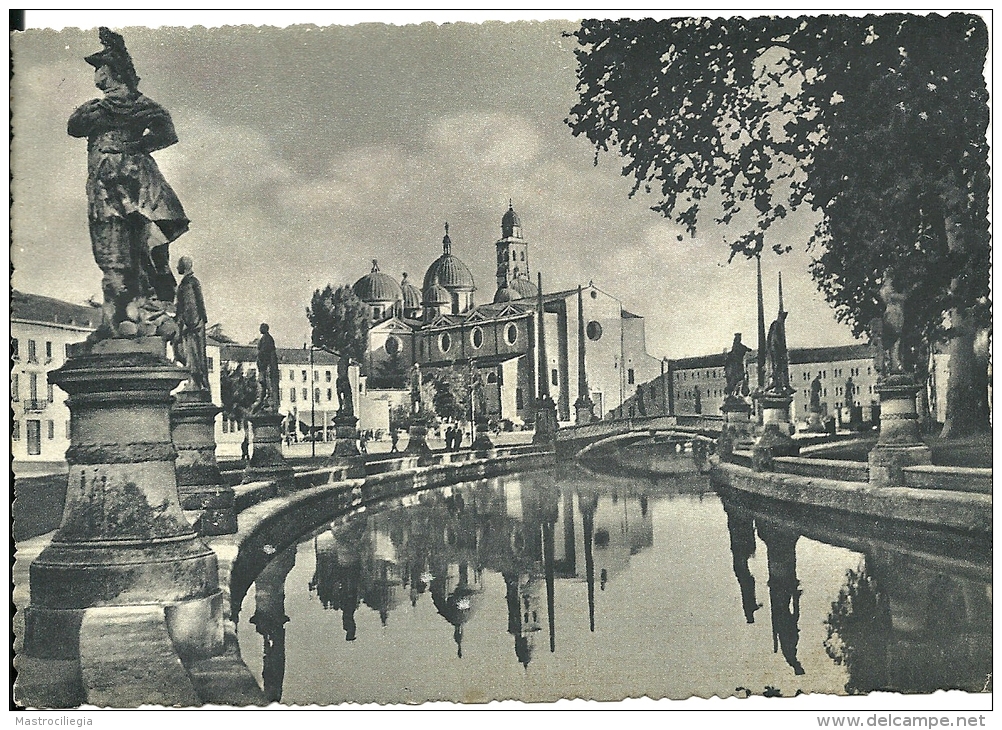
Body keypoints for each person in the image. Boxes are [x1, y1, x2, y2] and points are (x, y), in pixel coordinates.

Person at [68, 28, 188, 333]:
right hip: (117, 185)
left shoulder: (115, 107)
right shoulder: (113, 106)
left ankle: (132, 314)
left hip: (122, 188)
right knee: (122, 249)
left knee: (123, 249)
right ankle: (127, 314)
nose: (96, 74)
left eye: (99, 67)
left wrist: (131, 148)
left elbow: (167, 133)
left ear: (112, 71)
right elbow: (74, 127)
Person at [173, 256, 208, 391]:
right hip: (189, 324)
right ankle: (193, 380)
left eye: (178, 265)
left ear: (184, 266)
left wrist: (189, 323)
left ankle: (196, 381)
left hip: (193, 325)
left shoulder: (190, 283)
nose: (177, 268)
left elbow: (192, 305)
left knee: (194, 353)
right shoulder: (185, 283)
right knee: (185, 352)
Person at [254, 323, 279, 413]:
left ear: (265, 329)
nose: (259, 329)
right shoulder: (265, 338)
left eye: (261, 328)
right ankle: (264, 402)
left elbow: (264, 353)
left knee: (267, 385)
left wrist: (261, 362)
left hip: (266, 367)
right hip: (264, 367)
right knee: (263, 385)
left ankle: (268, 402)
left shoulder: (267, 339)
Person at [724, 333, 752, 398]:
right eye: (738, 338)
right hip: (737, 365)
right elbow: (747, 349)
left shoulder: (736, 346)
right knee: (740, 377)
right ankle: (737, 392)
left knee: (739, 378)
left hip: (738, 364)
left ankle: (736, 392)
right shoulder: (738, 346)